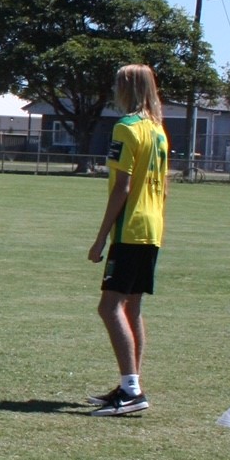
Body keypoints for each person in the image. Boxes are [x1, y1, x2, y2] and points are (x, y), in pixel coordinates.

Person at [86, 64, 170, 415]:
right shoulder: (158, 131)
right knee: (131, 308)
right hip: (151, 229)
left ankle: (131, 389)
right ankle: (130, 384)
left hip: (131, 229)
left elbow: (121, 187)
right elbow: (164, 187)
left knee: (109, 307)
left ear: (128, 89)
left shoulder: (126, 128)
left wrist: (101, 237)